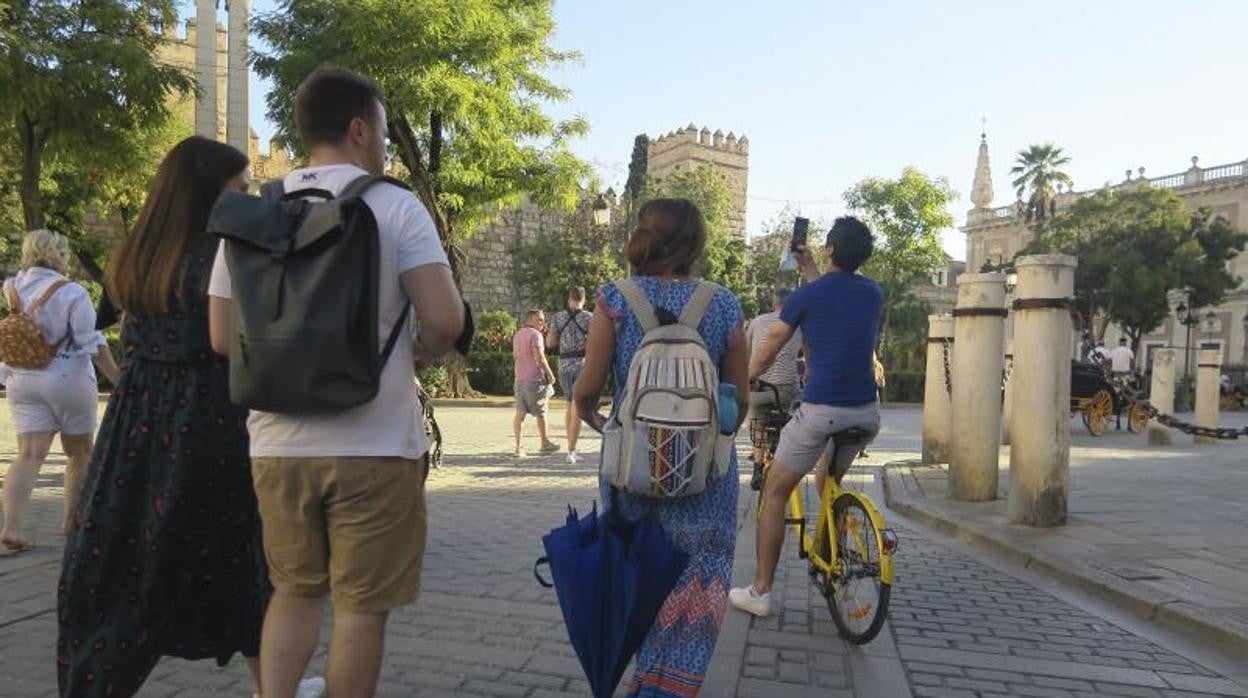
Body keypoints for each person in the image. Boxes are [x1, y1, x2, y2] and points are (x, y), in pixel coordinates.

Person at [208, 67, 465, 698]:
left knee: (292, 593)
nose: (381, 145)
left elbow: (220, 337)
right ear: (358, 128)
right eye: (379, 131)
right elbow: (445, 319)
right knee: (358, 608)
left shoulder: (255, 211)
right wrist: (419, 353)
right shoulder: (394, 204)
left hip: (276, 444)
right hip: (374, 442)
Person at [56, 137, 275, 697]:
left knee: (129, 562)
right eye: (241, 189)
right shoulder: (225, 253)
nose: (246, 199)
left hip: (135, 420)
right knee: (244, 561)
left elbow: (111, 324)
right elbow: (234, 341)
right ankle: (275, 686)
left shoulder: (134, 253)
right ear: (213, 193)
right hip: (211, 418)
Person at [575, 198, 749, 696]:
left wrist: (600, 420)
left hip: (632, 472)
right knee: (696, 587)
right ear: (695, 244)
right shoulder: (724, 303)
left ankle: (642, 680)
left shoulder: (614, 298)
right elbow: (740, 399)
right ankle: (667, 685)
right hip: (706, 483)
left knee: (635, 579)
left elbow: (586, 390)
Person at [730, 216, 883, 618]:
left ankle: (760, 591)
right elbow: (836, 297)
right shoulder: (873, 293)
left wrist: (744, 380)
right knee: (828, 479)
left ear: (830, 249)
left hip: (820, 412)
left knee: (775, 492)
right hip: (867, 413)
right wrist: (812, 267)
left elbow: (770, 348)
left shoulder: (803, 298)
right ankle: (833, 543)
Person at [1, 229, 118, 556]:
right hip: (67, 377)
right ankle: (70, 522)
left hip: (21, 379)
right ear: (59, 256)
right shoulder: (73, 292)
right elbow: (90, 342)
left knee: (27, 455)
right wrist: (117, 379)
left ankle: (10, 528)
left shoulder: (12, 287)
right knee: (78, 452)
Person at [746, 288, 802, 467]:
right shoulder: (798, 325)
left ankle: (757, 464)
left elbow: (746, 354)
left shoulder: (756, 322)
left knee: (756, 420)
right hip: (786, 391)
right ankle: (783, 457)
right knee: (791, 419)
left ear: (774, 304)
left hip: (759, 389)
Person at [547, 287, 592, 463]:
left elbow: (549, 342)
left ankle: (570, 446)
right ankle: (571, 451)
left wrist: (562, 338)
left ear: (569, 299)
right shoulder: (589, 317)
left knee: (568, 404)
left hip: (564, 364)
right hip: (581, 363)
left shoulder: (558, 317)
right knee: (577, 407)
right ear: (583, 299)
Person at [514, 309, 560, 457]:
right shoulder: (536, 335)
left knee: (520, 413)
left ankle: (518, 446)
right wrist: (550, 374)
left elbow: (515, 356)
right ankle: (545, 443)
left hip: (520, 379)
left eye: (543, 320)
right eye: (539, 320)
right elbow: (539, 357)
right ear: (531, 319)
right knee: (541, 412)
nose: (542, 323)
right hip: (535, 380)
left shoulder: (518, 334)